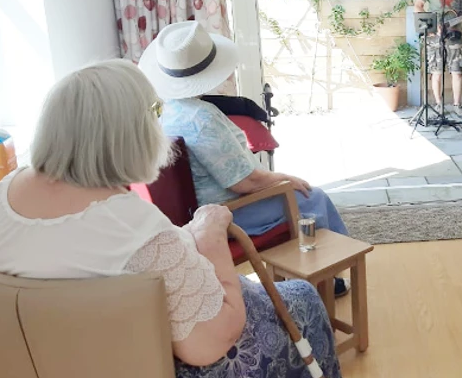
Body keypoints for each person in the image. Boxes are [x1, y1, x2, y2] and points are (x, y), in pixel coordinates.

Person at [0, 62, 382, 378]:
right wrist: (209, 233)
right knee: (302, 302)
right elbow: (209, 345)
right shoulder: (134, 226)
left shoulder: (6, 194)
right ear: (127, 135)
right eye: (153, 114)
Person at [139, 21, 350, 297]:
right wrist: (286, 178)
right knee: (312, 196)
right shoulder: (201, 118)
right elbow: (246, 182)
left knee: (300, 192)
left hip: (199, 211)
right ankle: (324, 279)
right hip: (230, 210)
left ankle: (311, 275)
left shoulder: (168, 111)